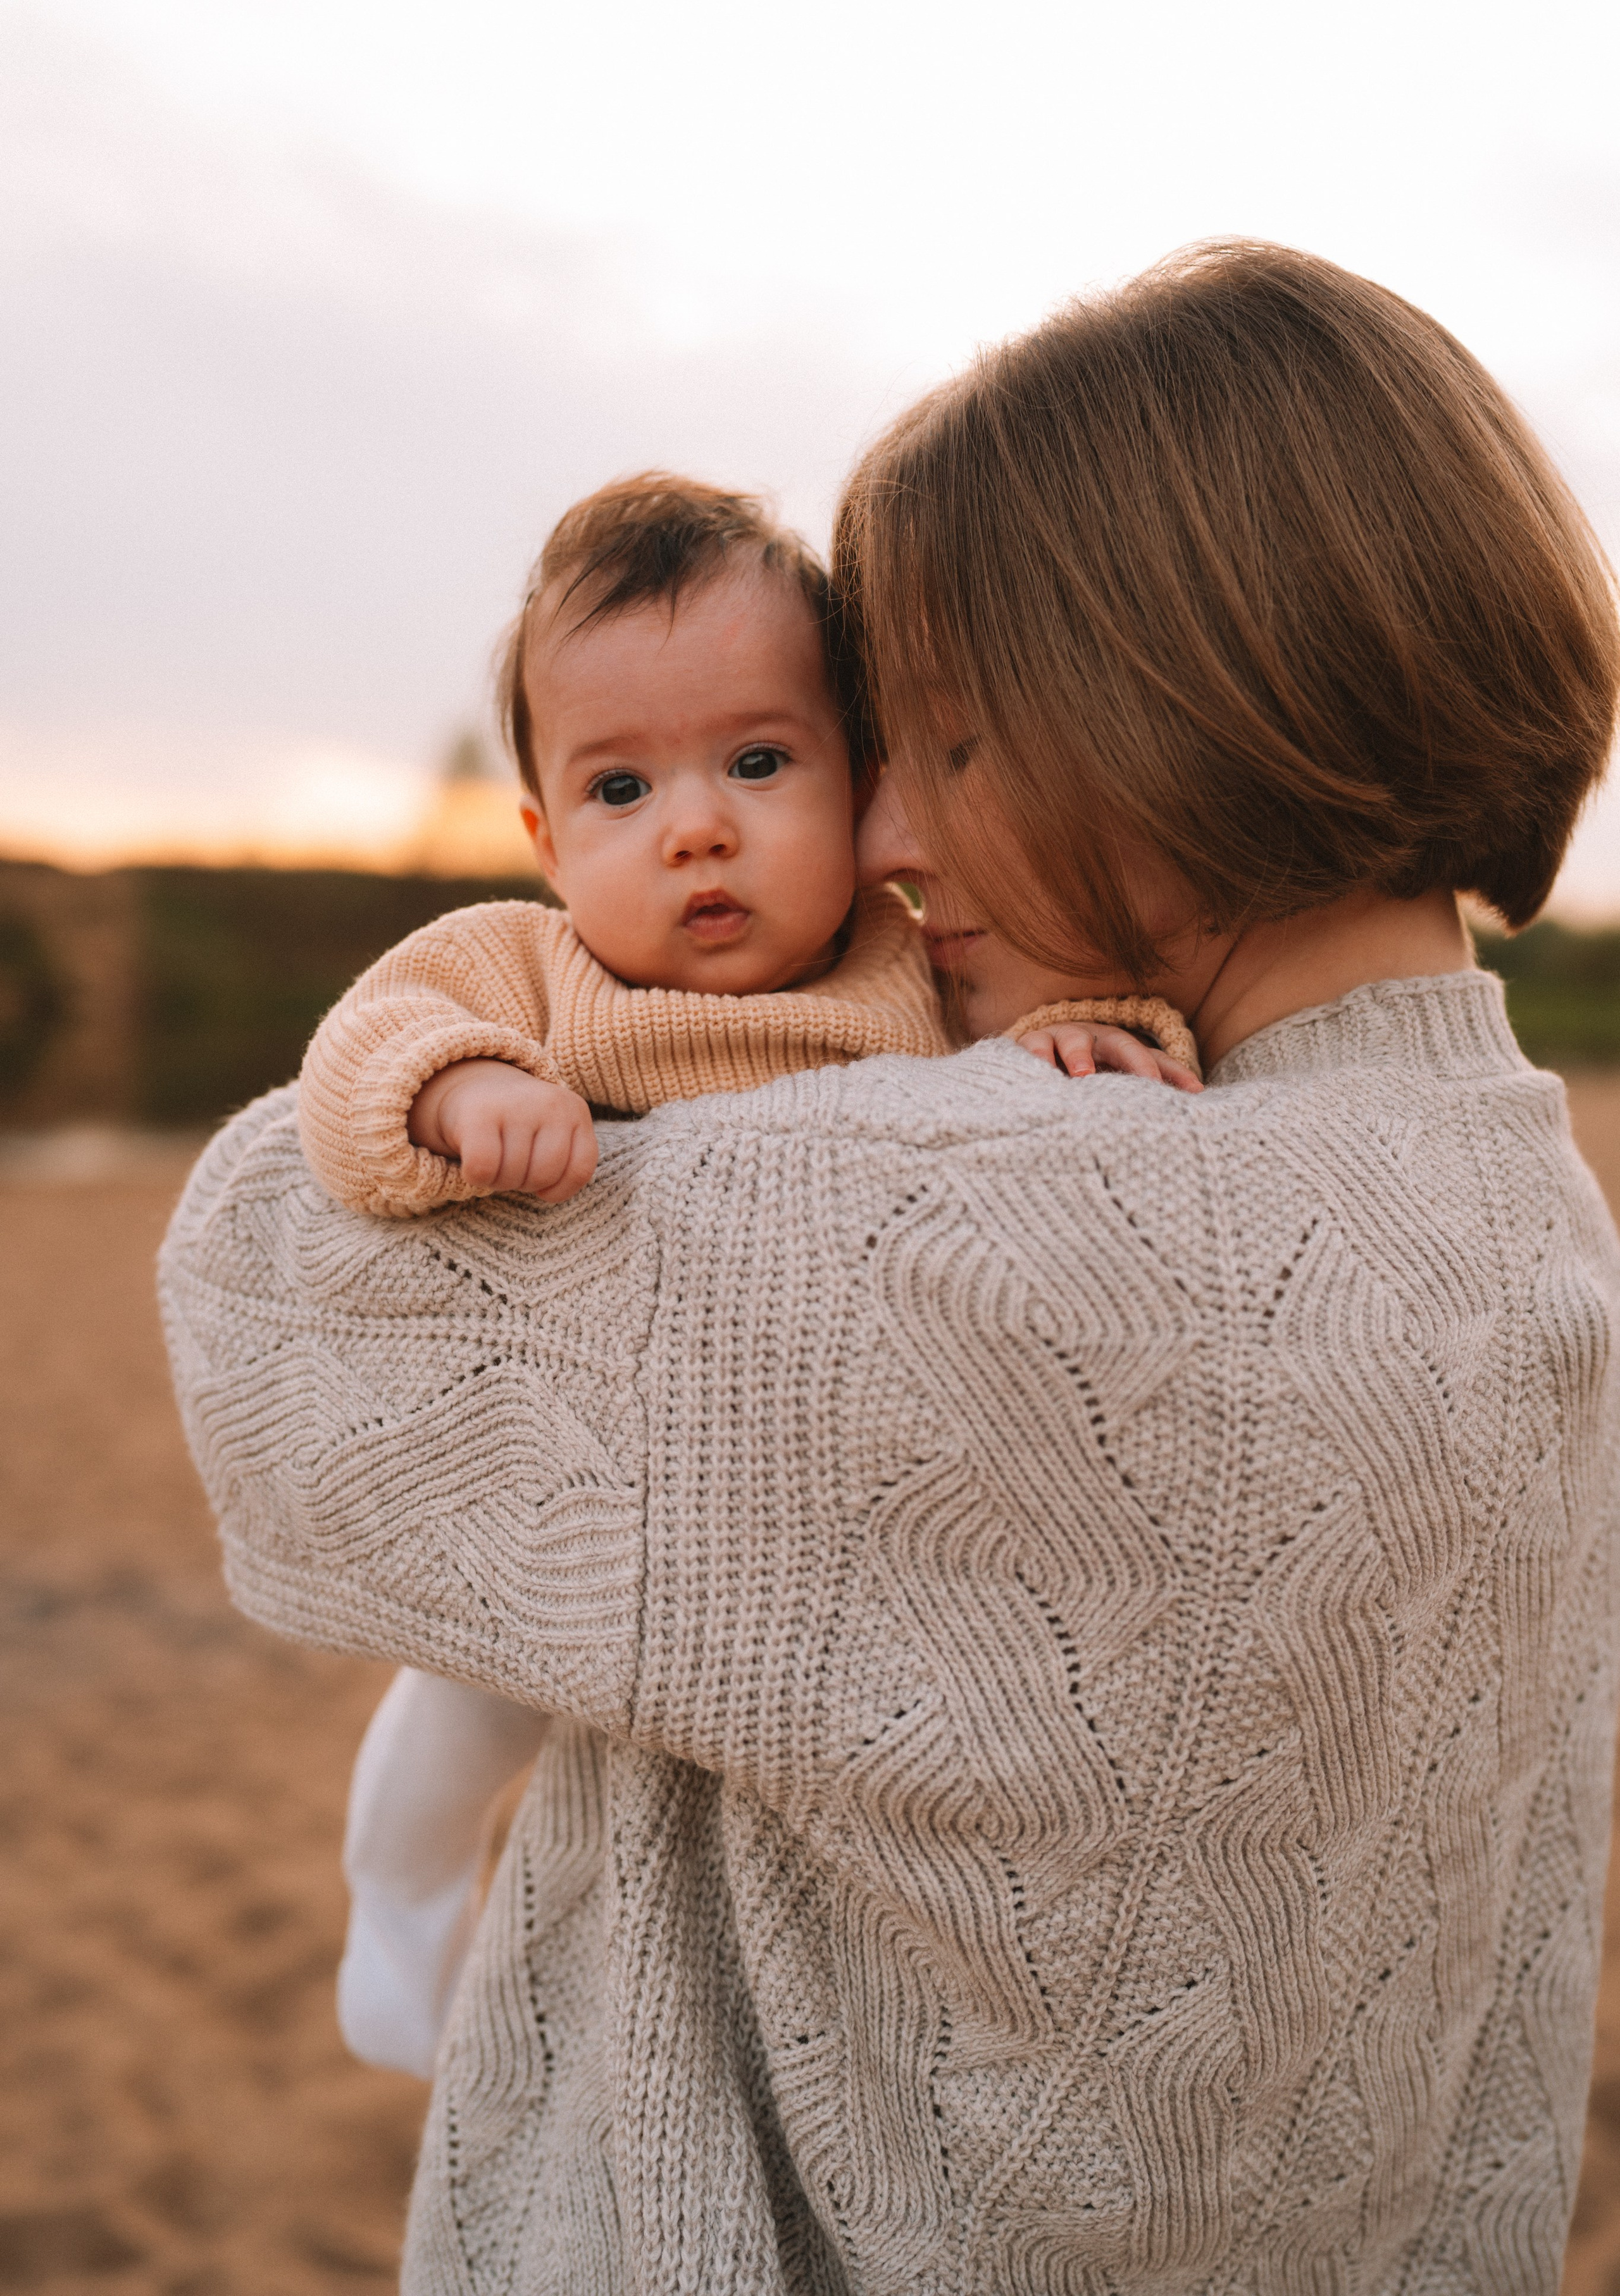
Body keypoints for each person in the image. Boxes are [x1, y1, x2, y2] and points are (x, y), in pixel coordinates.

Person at [160, 239, 1620, 2293]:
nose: (888, 837)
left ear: (1164, 722)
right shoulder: (1535, 1224)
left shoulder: (986, 1229)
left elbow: (254, 1294)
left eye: (940, 741)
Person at [309, 471, 1199, 2076]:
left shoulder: (916, 966)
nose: (697, 825)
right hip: (578, 1488)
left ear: (859, 784)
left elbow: (1093, 1051)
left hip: (828, 1506)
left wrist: (1091, 1035)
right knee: (466, 1698)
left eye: (759, 761)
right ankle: (400, 1883)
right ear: (543, 837)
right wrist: (461, 1091)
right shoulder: (536, 968)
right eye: (620, 790)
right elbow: (363, 1047)